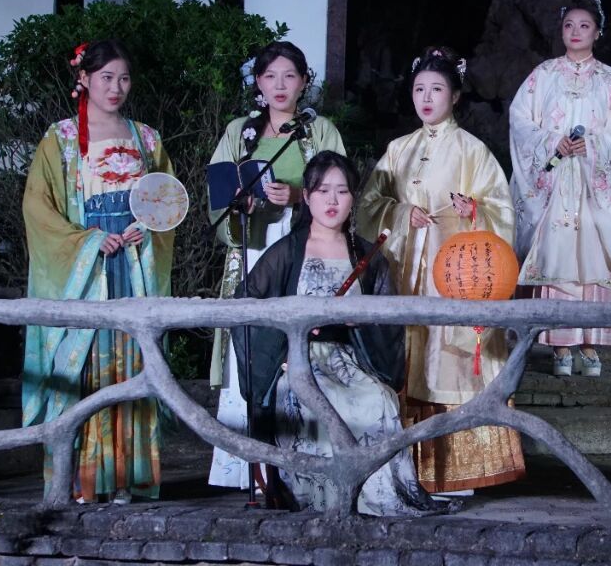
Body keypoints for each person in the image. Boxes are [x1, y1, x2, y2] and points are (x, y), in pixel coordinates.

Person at [230, 150, 444, 515]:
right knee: (320, 403)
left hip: (349, 360)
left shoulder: (366, 255)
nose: (332, 201)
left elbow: (388, 318)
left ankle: (377, 498)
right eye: (322, 191)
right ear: (307, 196)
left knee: (377, 399)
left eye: (342, 192)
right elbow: (245, 306)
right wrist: (286, 338)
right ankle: (322, 498)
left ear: (353, 199)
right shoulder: (287, 251)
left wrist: (360, 322)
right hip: (296, 362)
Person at [358, 46, 525, 494]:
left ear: (455, 96)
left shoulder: (473, 151)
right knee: (404, 361)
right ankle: (402, 469)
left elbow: (503, 212)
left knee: (448, 364)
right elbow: (368, 206)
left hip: (453, 276)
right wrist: (400, 213)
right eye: (419, 89)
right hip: (404, 274)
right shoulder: (398, 150)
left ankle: (456, 474)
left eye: (436, 89)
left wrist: (475, 211)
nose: (427, 98)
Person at [22, 39, 173, 503]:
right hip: (87, 270)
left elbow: (167, 202)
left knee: (133, 364)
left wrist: (147, 228)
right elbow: (38, 208)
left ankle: (128, 477)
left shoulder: (147, 139)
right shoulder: (61, 138)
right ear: (83, 78)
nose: (116, 87)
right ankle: (82, 479)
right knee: (86, 368)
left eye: (123, 78)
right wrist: (87, 240)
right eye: (106, 77)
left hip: (132, 266)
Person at [207, 41, 348, 490]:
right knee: (251, 346)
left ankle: (304, 465)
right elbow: (218, 192)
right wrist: (241, 205)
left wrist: (299, 197)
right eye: (270, 76)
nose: (280, 85)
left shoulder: (318, 130)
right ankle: (248, 470)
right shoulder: (240, 132)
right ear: (258, 82)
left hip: (302, 247)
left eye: (290, 76)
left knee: (298, 348)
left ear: (304, 82)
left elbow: (341, 188)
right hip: (252, 246)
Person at [509, 0, 611, 377]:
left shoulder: (609, 81)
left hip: (592, 185)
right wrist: (553, 142)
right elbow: (520, 119)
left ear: (597, 32)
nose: (576, 31)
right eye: (569, 25)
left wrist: (594, 144)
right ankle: (560, 344)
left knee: (591, 259)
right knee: (557, 257)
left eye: (584, 26)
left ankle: (589, 340)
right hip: (554, 186)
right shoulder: (543, 75)